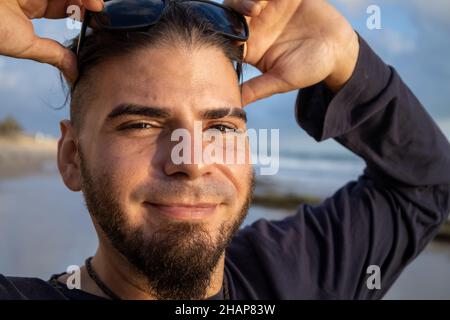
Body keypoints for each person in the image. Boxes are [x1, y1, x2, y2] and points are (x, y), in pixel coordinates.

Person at [0, 0, 449, 300]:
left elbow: (426, 184)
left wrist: (349, 57)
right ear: (72, 158)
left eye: (219, 126)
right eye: (141, 124)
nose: (192, 161)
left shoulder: (296, 276)